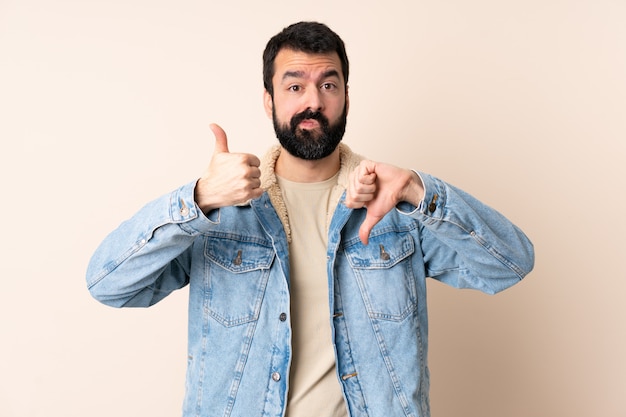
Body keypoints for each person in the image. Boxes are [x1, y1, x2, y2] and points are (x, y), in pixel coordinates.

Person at [86, 21, 534, 417]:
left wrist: (419, 189)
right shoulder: (220, 211)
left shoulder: (396, 210)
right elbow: (109, 284)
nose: (313, 103)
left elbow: (509, 264)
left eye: (329, 85)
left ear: (346, 97)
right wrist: (198, 199)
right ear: (269, 100)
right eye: (295, 86)